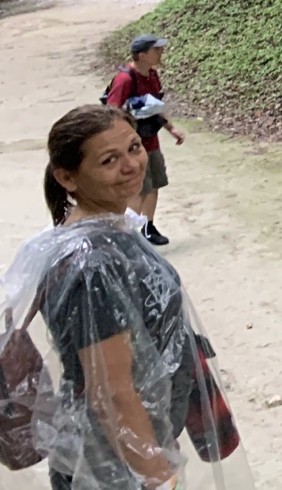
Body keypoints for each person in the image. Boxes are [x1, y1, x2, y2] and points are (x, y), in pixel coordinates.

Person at [0, 104, 250, 490]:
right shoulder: (92, 263)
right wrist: (156, 474)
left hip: (127, 448)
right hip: (112, 465)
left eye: (134, 148)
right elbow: (110, 392)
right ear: (67, 177)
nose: (131, 165)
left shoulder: (114, 229)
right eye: (109, 160)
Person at [104, 36, 184, 246]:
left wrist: (171, 128)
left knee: (154, 184)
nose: (160, 53)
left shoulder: (152, 75)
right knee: (138, 189)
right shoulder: (125, 80)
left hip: (150, 139)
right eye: (156, 50)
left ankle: (148, 227)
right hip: (131, 145)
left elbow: (156, 105)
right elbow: (111, 112)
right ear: (142, 55)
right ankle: (127, 235)